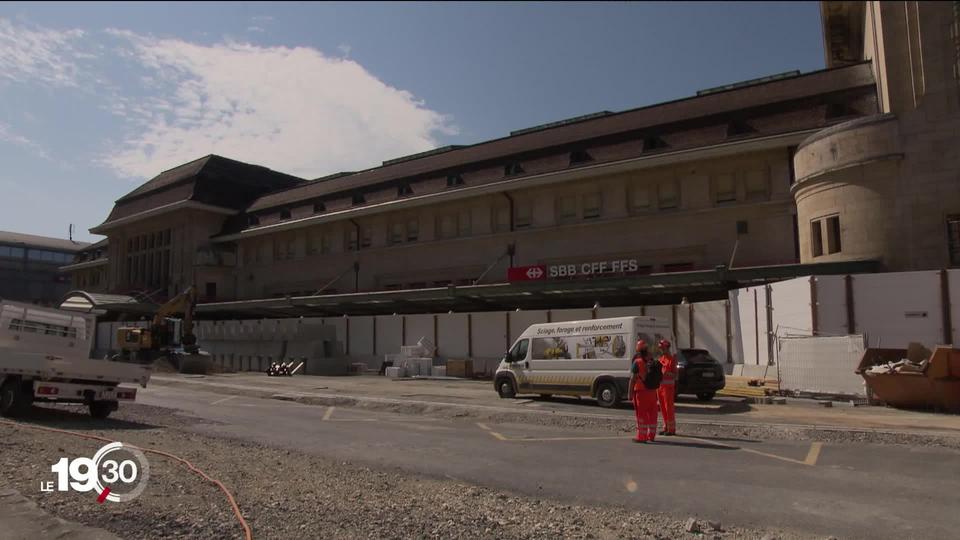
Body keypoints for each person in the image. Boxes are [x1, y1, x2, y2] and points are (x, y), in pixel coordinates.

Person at [628, 340, 659, 443]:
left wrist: (630, 393)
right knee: (652, 414)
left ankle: (642, 436)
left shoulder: (637, 362)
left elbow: (632, 379)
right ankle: (652, 435)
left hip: (641, 392)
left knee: (641, 415)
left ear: (638, 350)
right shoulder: (652, 361)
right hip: (652, 392)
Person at [657, 339, 677, 436]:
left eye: (662, 348)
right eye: (660, 348)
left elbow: (676, 375)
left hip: (668, 388)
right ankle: (666, 427)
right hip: (660, 387)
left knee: (668, 408)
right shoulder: (661, 359)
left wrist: (667, 373)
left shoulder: (672, 359)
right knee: (663, 408)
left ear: (666, 348)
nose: (661, 350)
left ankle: (671, 429)